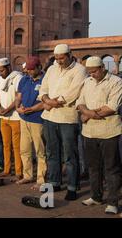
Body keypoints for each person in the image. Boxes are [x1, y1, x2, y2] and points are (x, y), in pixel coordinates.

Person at [38, 44, 88, 201]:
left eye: (62, 58)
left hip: (67, 117)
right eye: (57, 58)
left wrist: (54, 102)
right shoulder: (52, 69)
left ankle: (73, 186)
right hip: (49, 117)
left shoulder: (79, 70)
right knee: (52, 152)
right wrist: (46, 99)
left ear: (70, 55)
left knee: (69, 154)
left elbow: (73, 92)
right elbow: (43, 88)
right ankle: (54, 181)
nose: (59, 61)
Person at [77, 56, 122, 215]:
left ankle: (112, 202)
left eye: (94, 71)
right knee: (93, 167)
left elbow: (112, 107)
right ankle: (96, 196)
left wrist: (88, 114)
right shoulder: (87, 81)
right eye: (89, 72)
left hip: (109, 131)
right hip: (89, 132)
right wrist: (88, 112)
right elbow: (80, 103)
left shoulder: (115, 82)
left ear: (103, 67)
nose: (92, 74)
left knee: (111, 168)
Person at [15, 56, 47, 189]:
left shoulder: (45, 80)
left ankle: (41, 179)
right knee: (24, 149)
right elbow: (18, 96)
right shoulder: (24, 79)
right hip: (24, 119)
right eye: (27, 69)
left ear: (39, 67)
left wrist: (31, 109)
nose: (29, 72)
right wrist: (18, 107)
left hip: (37, 119)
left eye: (32, 69)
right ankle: (27, 175)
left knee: (40, 150)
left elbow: (45, 101)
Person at [0, 58, 23, 180]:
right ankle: (7, 169)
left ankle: (18, 171)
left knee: (16, 146)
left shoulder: (17, 77)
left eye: (2, 71)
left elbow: (18, 97)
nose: (0, 73)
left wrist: (8, 109)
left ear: (8, 67)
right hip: (3, 117)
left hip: (15, 117)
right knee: (6, 145)